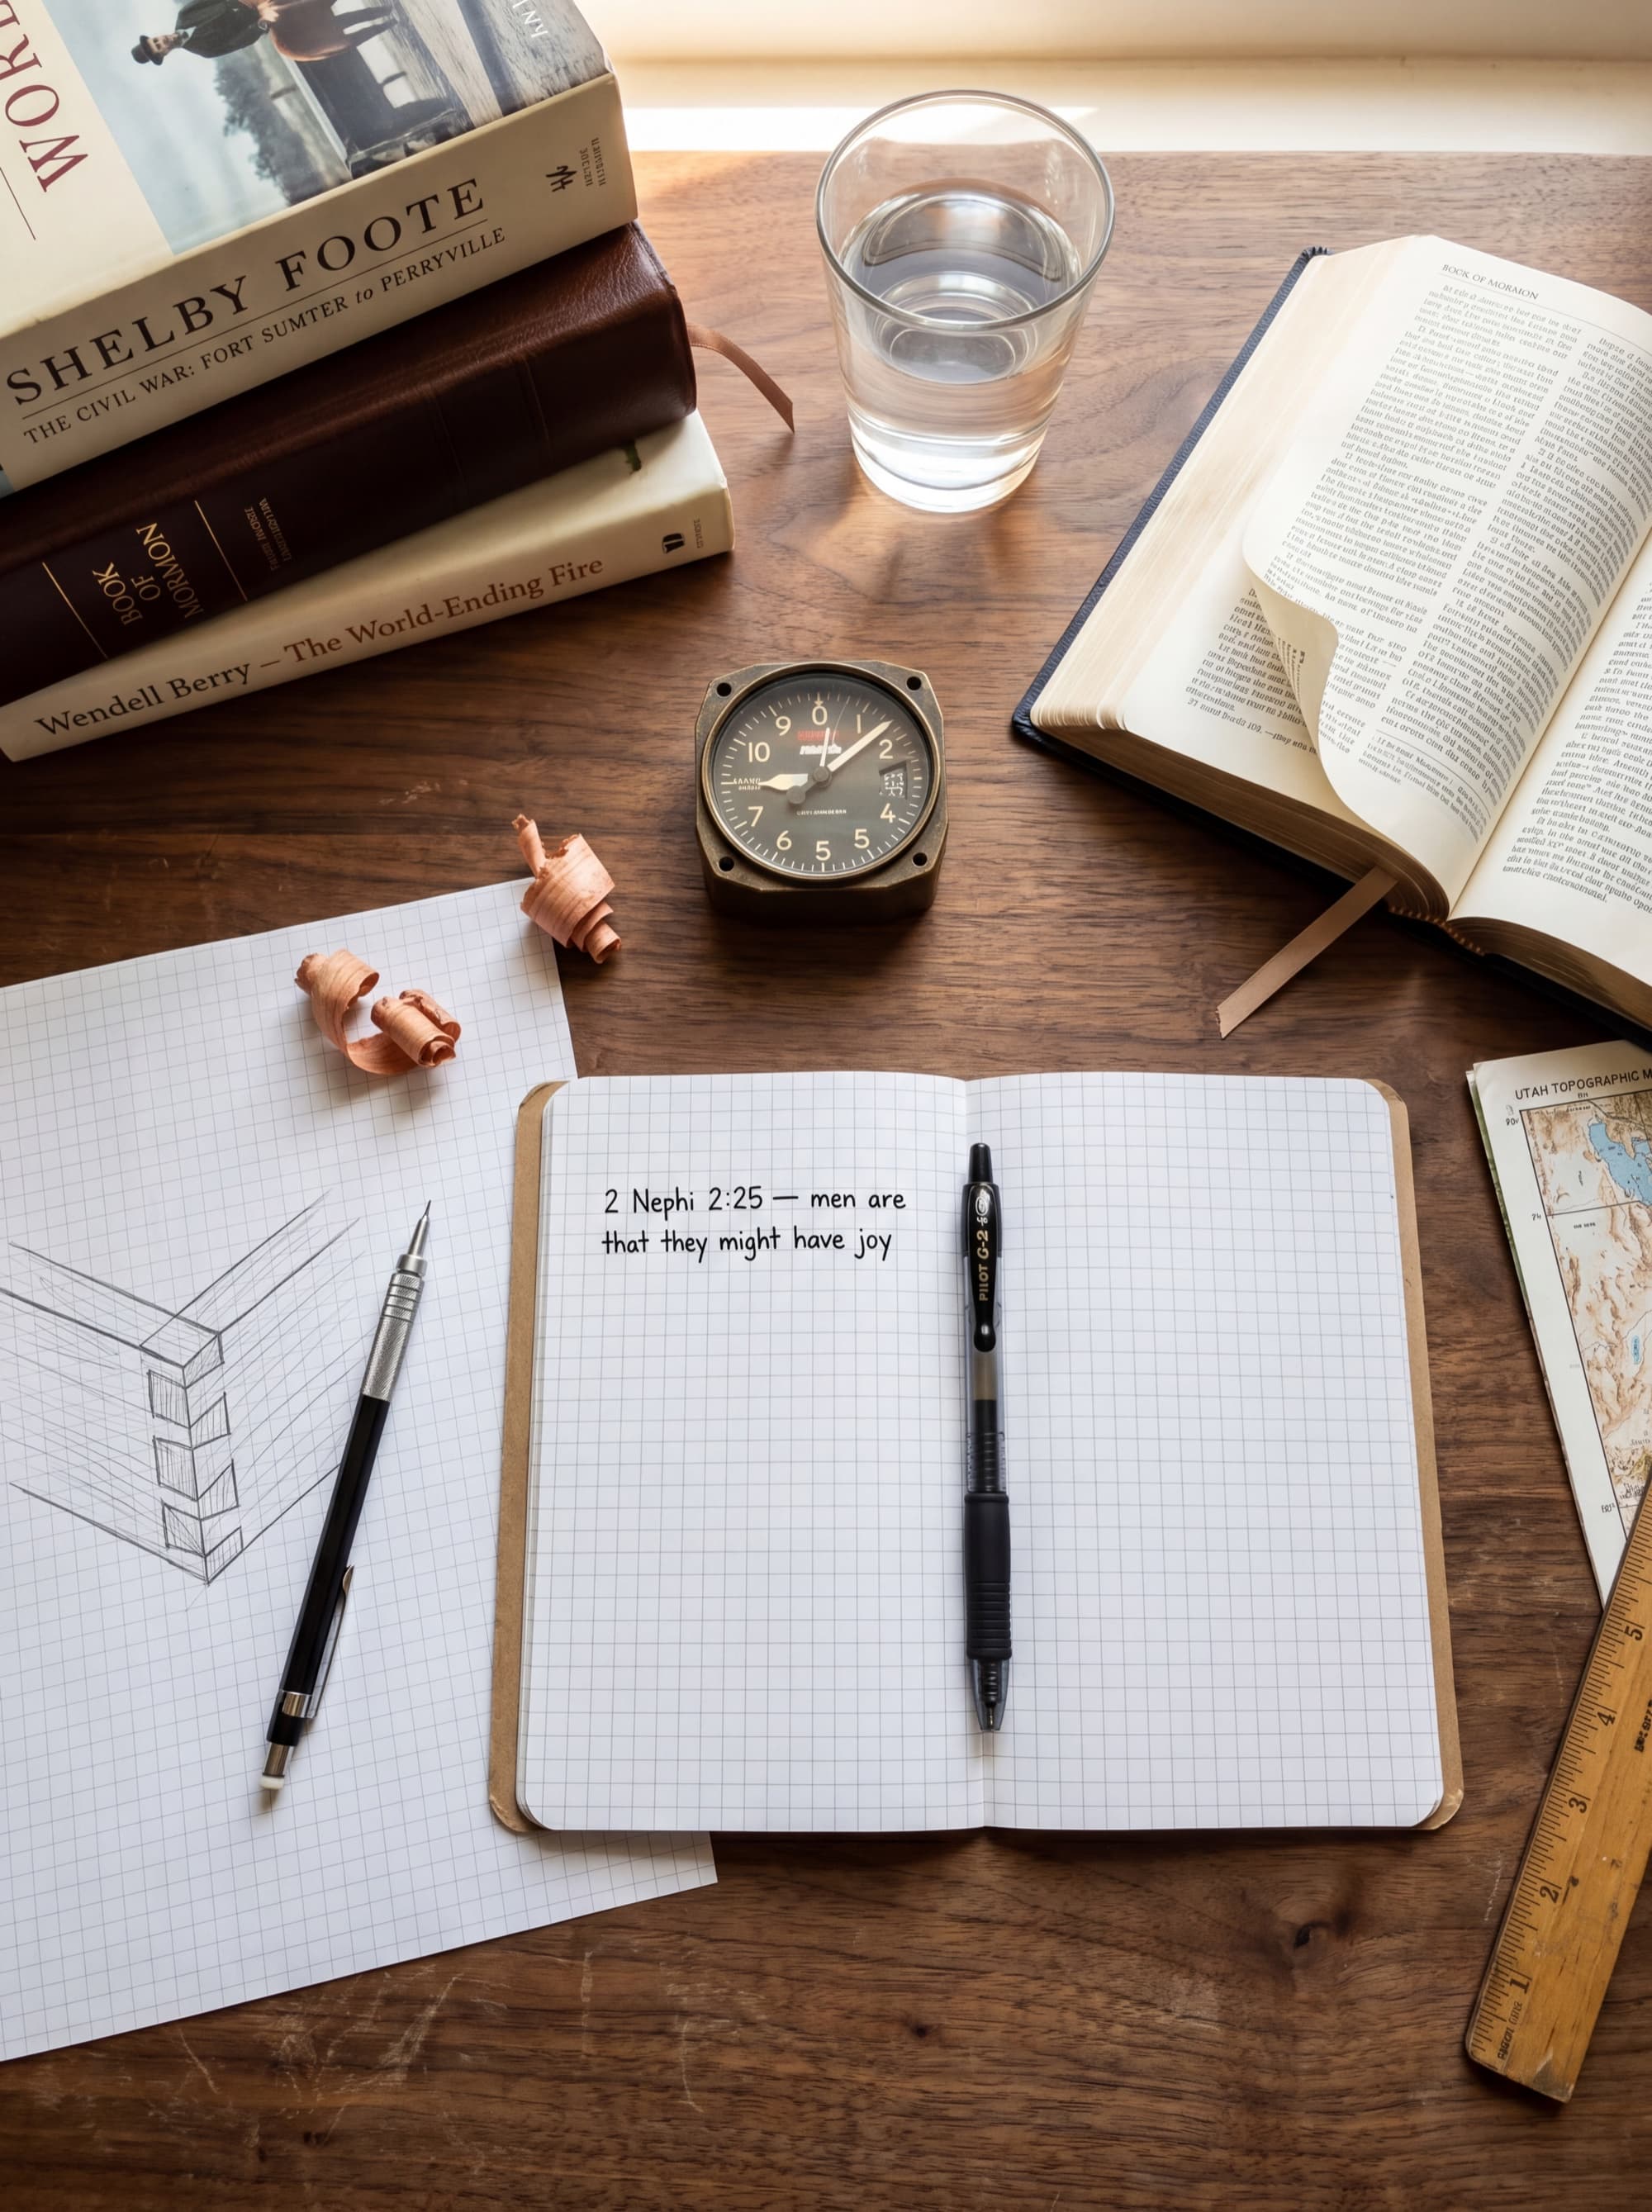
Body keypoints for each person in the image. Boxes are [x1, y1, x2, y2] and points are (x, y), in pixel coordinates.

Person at [131, 0, 396, 69]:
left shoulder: (185, 16)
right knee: (296, 42)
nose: (162, 41)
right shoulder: (204, 49)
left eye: (156, 40)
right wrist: (260, 20)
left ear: (157, 36)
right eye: (160, 48)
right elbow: (239, 41)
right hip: (256, 19)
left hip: (245, 2)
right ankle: (380, 24)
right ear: (166, 53)